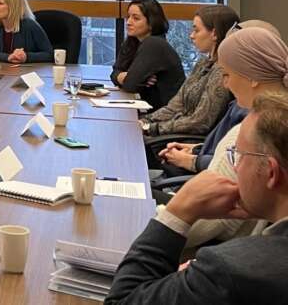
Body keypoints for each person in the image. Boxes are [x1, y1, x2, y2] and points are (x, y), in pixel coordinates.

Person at [105, 91, 288, 303]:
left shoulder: (229, 269)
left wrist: (177, 213)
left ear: (271, 173)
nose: (235, 167)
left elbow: (121, 301)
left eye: (237, 155)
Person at [167, 25, 288, 249]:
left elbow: (211, 221)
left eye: (226, 74)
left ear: (251, 77)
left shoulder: (248, 133)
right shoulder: (274, 122)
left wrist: (158, 224)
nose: (225, 83)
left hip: (217, 252)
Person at [153, 20, 280, 176]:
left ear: (253, 74)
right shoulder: (240, 106)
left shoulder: (258, 121)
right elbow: (223, 152)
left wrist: (193, 160)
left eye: (227, 74)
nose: (225, 84)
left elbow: (231, 174)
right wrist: (197, 149)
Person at [142, 5, 239, 138]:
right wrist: (146, 120)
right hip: (174, 131)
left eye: (197, 30)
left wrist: (151, 128)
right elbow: (175, 106)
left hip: (190, 141)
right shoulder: (202, 63)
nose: (191, 36)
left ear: (215, 34)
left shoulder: (223, 71)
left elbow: (200, 122)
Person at [111, 0, 186, 111]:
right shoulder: (132, 41)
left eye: (136, 18)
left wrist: (129, 78)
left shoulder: (154, 44)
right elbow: (114, 73)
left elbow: (130, 85)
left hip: (163, 115)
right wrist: (126, 76)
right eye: (128, 17)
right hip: (144, 108)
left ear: (151, 23)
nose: (129, 22)